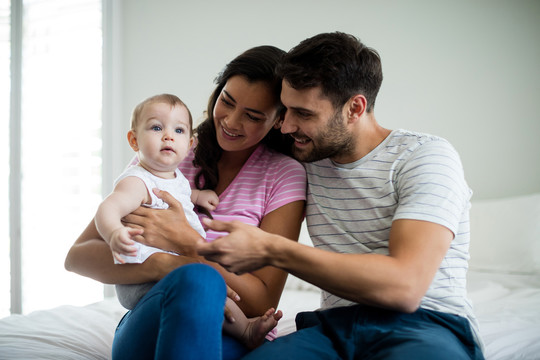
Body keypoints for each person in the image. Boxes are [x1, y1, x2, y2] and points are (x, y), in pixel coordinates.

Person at [197, 32, 485, 359]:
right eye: (285, 110)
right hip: (331, 329)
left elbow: (405, 288)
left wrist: (272, 249)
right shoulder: (304, 160)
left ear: (354, 108)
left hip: (424, 323)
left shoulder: (424, 157)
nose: (287, 126)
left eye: (303, 114)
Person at [64, 46, 307, 359]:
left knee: (201, 278)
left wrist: (191, 245)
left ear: (277, 121)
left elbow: (262, 303)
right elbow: (78, 257)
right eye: (227, 102)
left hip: (232, 333)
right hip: (152, 321)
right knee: (197, 278)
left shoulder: (283, 175)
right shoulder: (168, 153)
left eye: (252, 116)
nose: (231, 121)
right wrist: (169, 264)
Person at [94, 93, 281, 349]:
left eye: (178, 130)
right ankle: (243, 328)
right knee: (202, 282)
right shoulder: (137, 180)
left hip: (182, 277)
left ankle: (245, 329)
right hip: (144, 281)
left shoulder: (174, 177)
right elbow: (109, 207)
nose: (168, 136)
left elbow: (179, 193)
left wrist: (199, 196)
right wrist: (114, 231)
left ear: (189, 142)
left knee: (210, 286)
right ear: (134, 140)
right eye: (156, 127)